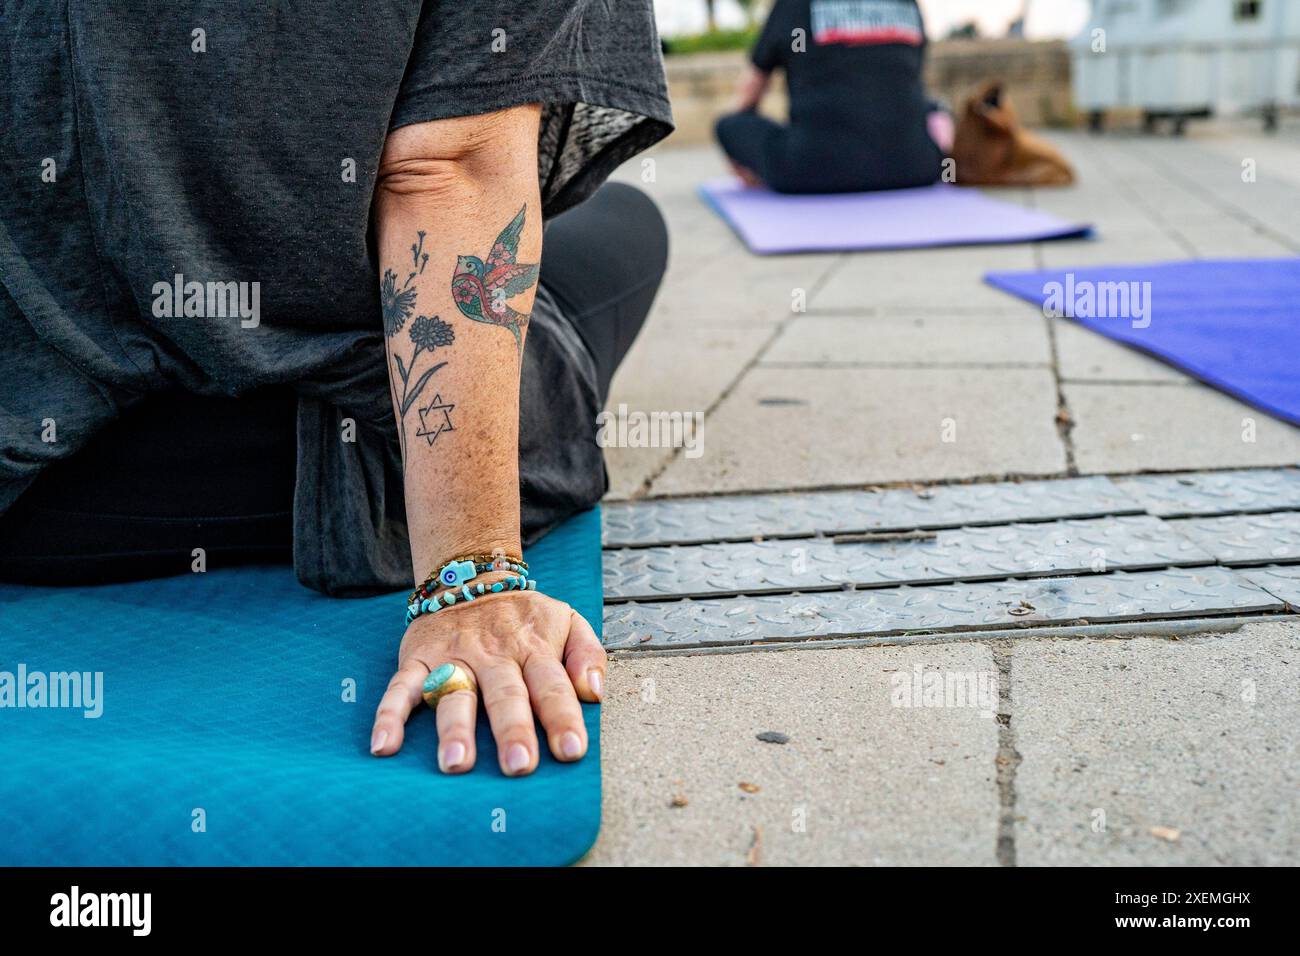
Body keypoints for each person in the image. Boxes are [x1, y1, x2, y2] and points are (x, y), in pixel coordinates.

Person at [0, 2, 672, 777]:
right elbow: (444, 165)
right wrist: (471, 580)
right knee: (630, 221)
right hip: (325, 469)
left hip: (35, 483)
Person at [716, 0, 946, 193]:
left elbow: (749, 93)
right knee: (935, 109)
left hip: (809, 171)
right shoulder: (907, 3)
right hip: (916, 168)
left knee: (728, 125)